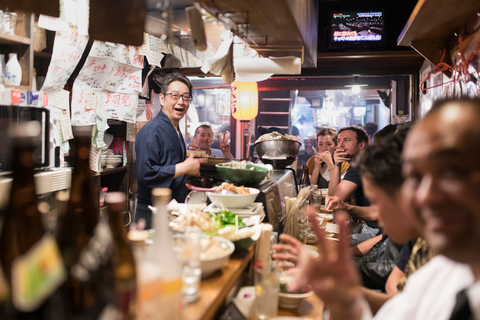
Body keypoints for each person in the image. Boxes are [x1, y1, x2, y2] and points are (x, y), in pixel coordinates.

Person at [286, 97, 480, 320]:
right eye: (415, 177)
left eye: (452, 171)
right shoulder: (441, 271)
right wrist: (346, 298)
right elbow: (401, 309)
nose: (424, 195)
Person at [135, 72, 203, 229]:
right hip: (152, 214)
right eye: (175, 96)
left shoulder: (175, 129)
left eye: (186, 97)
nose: (181, 102)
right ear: (162, 98)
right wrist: (184, 167)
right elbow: (146, 174)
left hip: (172, 211)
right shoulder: (151, 131)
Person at [328, 125, 379, 244]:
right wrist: (337, 166)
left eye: (347, 140)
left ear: (361, 145)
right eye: (339, 141)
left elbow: (333, 199)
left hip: (377, 232)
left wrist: (336, 165)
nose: (340, 146)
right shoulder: (365, 160)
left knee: (331, 242)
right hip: (369, 225)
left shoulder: (360, 164)